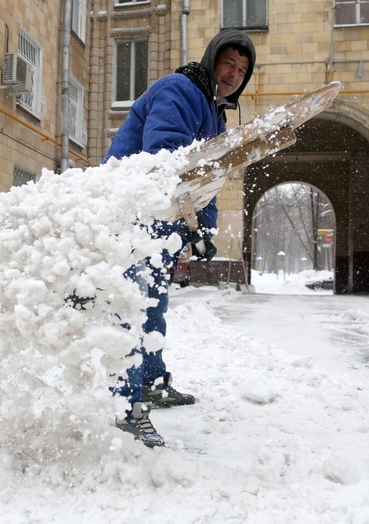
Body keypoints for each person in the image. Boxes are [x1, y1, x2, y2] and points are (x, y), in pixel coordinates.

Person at [103, 29, 256, 447]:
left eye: (242, 70)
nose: (234, 74)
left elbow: (207, 177)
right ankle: (125, 405)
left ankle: (151, 382)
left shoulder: (214, 113)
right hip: (130, 211)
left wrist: (202, 229)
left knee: (153, 302)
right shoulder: (180, 89)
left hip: (159, 220)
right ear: (211, 60)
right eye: (228, 63)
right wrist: (190, 221)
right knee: (130, 306)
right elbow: (165, 157)